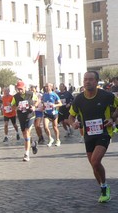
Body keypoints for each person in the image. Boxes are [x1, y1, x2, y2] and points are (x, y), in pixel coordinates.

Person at [68, 71, 118, 203]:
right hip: (88, 135)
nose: (87, 82)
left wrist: (112, 119)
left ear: (96, 82)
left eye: (90, 79)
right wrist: (74, 123)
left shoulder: (106, 96)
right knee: (94, 165)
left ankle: (104, 188)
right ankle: (103, 187)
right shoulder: (79, 99)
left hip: (104, 133)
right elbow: (71, 116)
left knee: (95, 161)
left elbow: (117, 107)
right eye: (85, 79)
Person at [11, 81, 37, 161]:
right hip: (21, 116)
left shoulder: (30, 94)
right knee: (26, 134)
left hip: (30, 116)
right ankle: (32, 144)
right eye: (18, 89)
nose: (19, 90)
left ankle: (26, 154)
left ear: (24, 87)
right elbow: (12, 106)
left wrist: (34, 107)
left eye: (21, 89)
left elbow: (37, 101)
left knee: (26, 132)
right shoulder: (15, 97)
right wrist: (16, 108)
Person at [41, 83, 62, 147]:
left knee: (55, 127)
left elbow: (60, 104)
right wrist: (43, 107)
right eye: (45, 86)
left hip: (54, 113)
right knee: (45, 127)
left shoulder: (54, 95)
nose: (46, 87)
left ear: (51, 87)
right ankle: (50, 138)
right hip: (47, 113)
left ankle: (58, 140)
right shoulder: (44, 95)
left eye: (48, 86)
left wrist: (55, 105)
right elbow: (43, 104)